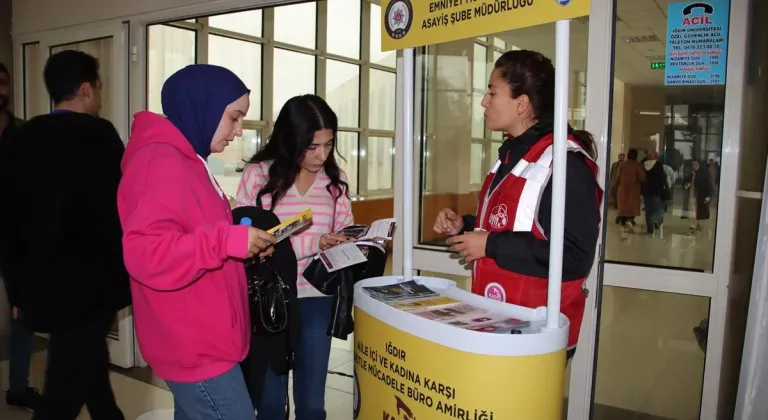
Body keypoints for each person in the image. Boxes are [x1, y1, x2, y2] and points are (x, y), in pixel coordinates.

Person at [118, 64, 275, 419]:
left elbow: (194, 238)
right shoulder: (160, 161)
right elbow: (146, 253)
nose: (238, 131)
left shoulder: (190, 161)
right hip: (195, 346)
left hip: (203, 337)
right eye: (234, 117)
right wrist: (225, 241)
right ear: (204, 106)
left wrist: (242, 246)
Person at [434, 50, 601, 358]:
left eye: (492, 92)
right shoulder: (513, 157)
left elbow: (574, 256)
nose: (484, 102)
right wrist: (467, 226)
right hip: (500, 321)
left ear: (521, 103)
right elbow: (512, 224)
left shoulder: (566, 164)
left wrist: (491, 245)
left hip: (536, 334)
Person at [0, 50, 129, 419]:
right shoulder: (100, 136)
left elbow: (9, 223)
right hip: (93, 285)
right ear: (86, 89)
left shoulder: (23, 139)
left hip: (43, 282)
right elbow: (120, 208)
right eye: (99, 88)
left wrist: (16, 287)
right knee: (64, 387)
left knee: (88, 364)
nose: (100, 97)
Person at [236, 94, 354, 419]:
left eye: (328, 145)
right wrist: (314, 242)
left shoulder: (336, 181)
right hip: (270, 298)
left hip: (317, 297)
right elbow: (245, 244)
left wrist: (354, 244)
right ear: (291, 140)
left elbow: (342, 234)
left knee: (312, 403)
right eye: (312, 146)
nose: (321, 155)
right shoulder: (259, 175)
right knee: (271, 402)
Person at [0, 62, 42, 411]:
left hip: (17, 240)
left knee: (22, 314)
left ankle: (17, 386)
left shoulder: (24, 134)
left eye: (2, 83)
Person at [612, 148, 646, 232]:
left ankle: (622, 219)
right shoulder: (638, 165)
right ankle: (629, 220)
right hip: (634, 190)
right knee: (631, 207)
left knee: (623, 206)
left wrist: (612, 187)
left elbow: (617, 177)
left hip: (623, 189)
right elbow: (642, 178)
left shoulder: (622, 165)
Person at [682, 159, 712, 235]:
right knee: (691, 212)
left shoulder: (704, 175)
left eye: (696, 165)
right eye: (693, 165)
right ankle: (692, 227)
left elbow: (708, 186)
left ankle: (698, 226)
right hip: (691, 196)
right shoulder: (690, 174)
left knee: (699, 212)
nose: (694, 166)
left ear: (699, 165)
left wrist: (708, 196)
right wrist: (686, 185)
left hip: (700, 196)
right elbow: (684, 182)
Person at [642, 150, 667, 235]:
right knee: (657, 208)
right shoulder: (659, 166)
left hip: (646, 191)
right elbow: (663, 178)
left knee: (648, 210)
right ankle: (655, 221)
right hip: (657, 190)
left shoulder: (643, 164)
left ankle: (649, 228)